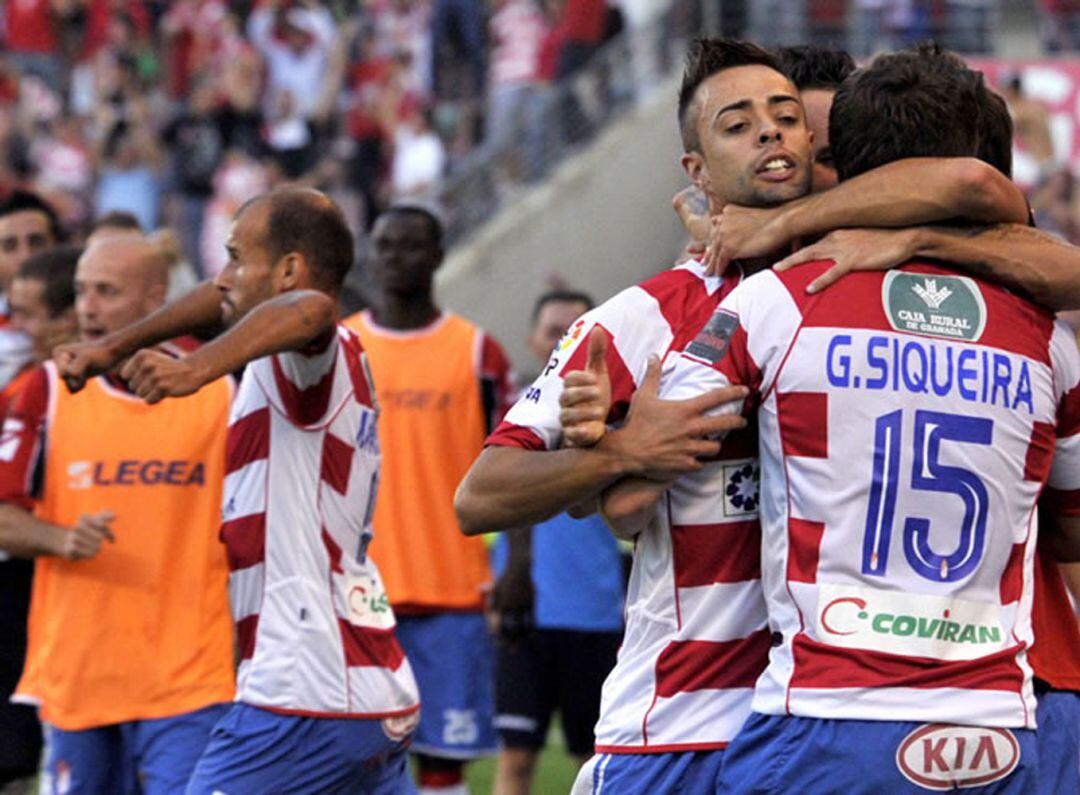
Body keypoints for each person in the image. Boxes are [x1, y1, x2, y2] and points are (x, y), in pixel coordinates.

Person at [455, 38, 1049, 794]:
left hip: (831, 727)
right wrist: (615, 452)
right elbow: (480, 494)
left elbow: (978, 188)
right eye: (737, 124)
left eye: (788, 120)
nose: (771, 133)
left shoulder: (873, 300)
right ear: (696, 173)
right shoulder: (647, 316)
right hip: (678, 729)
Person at [608, 46, 1080, 793]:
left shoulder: (773, 302)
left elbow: (627, 501)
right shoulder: (1044, 331)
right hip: (1005, 713)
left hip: (828, 714)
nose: (791, 158)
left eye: (814, 148)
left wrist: (609, 442)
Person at [55, 188, 420, 794]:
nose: (221, 277)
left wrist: (195, 369)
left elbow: (310, 310)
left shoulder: (309, 351)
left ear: (287, 270)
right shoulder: (300, 354)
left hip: (304, 694)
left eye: (234, 257)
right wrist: (112, 349)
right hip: (357, 685)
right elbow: (224, 301)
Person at [0, 235, 235, 793]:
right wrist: (60, 539)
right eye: (82, 291)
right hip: (79, 679)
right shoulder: (44, 390)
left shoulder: (217, 388)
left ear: (156, 298)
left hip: (190, 679)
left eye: (106, 292)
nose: (87, 307)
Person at [343, 204, 513, 795]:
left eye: (410, 246)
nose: (394, 259)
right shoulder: (344, 348)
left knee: (443, 765)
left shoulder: (476, 352)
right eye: (384, 246)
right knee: (356, 762)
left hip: (452, 589)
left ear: (438, 255)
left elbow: (516, 464)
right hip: (357, 595)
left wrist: (517, 564)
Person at [490, 290, 624, 795]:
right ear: (532, 339)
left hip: (594, 613)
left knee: (591, 763)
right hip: (524, 609)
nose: (564, 339)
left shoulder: (621, 414)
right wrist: (513, 572)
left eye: (578, 329)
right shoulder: (512, 416)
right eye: (554, 329)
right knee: (516, 756)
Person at [0, 189, 62, 793]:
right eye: (8, 245)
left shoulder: (95, 352)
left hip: (56, 561)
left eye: (35, 243)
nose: (21, 256)